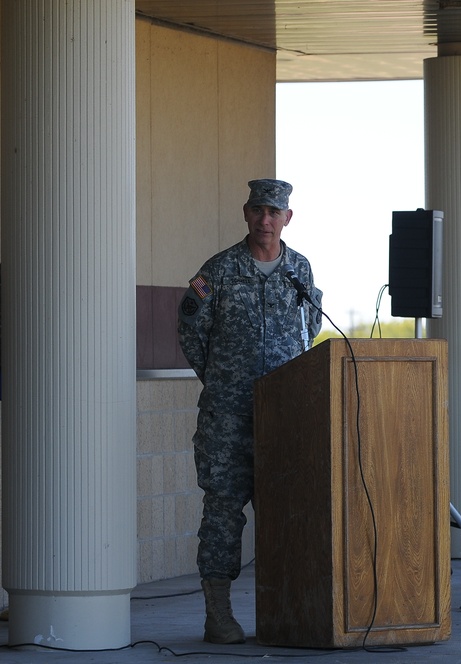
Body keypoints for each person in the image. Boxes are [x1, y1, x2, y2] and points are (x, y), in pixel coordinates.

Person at [178, 179, 323, 644]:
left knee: (285, 511)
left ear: (288, 218)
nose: (266, 219)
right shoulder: (217, 271)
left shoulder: (299, 268)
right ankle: (218, 614)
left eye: (274, 212)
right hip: (229, 417)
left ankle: (286, 609)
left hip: (284, 415)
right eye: (258, 210)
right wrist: (221, 380)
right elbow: (190, 331)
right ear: (246, 213)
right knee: (223, 511)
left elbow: (313, 325)